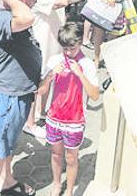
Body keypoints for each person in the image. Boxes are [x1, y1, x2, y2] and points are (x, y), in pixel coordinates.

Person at [0, 0, 44, 196]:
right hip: (7, 96)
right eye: (34, 0)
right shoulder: (1, 17)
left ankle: (7, 181)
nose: (34, 4)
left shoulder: (12, 9)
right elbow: (28, 18)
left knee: (7, 144)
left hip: (20, 92)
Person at [37, 23, 100, 196]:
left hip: (75, 121)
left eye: (72, 48)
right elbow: (41, 91)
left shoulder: (87, 64)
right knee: (56, 154)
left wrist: (80, 74)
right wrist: (50, 76)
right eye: (65, 48)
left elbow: (95, 95)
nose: (68, 52)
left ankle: (70, 190)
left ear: (80, 42)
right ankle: (57, 185)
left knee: (71, 158)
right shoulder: (55, 60)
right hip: (54, 118)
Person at [22, 0, 82, 139]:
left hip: (54, 40)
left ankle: (41, 113)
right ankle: (29, 123)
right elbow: (62, 2)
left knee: (49, 76)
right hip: (41, 41)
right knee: (37, 81)